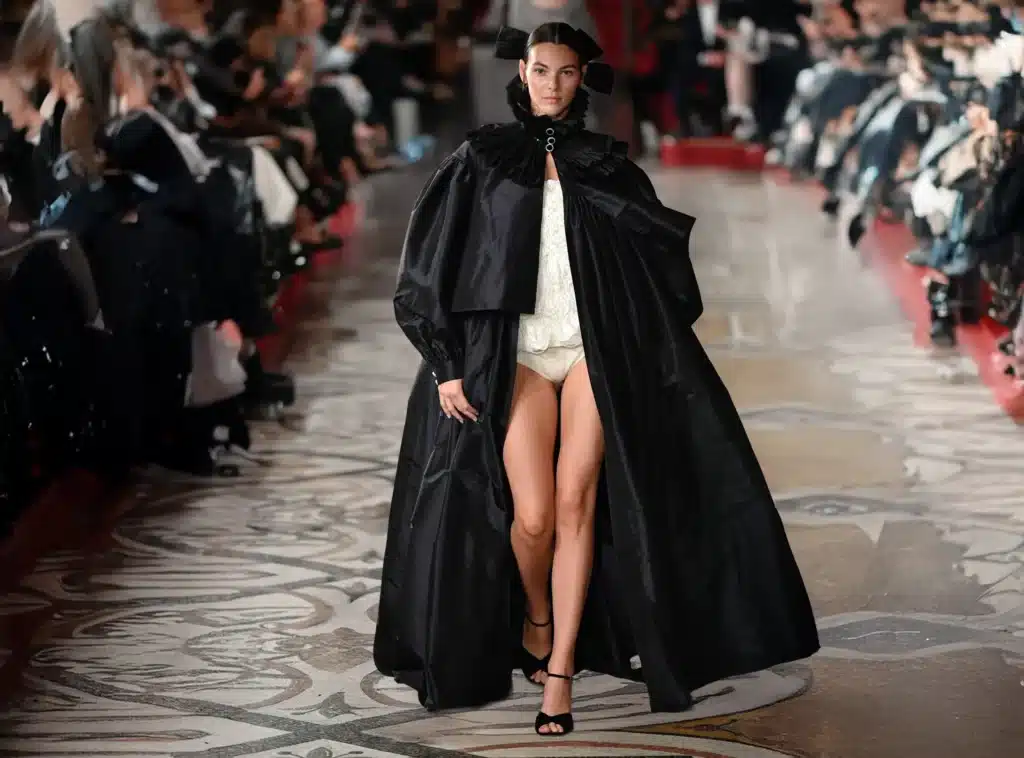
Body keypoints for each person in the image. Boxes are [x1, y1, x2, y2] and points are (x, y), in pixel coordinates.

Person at [373, 22, 820, 737]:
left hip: (588, 351)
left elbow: (665, 267)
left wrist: (646, 348)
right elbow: (428, 264)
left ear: (585, 79)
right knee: (534, 516)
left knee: (577, 503)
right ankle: (538, 616)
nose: (552, 84)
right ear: (521, 70)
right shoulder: (479, 159)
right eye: (541, 69)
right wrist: (445, 362)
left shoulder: (607, 163)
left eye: (567, 72)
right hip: (511, 353)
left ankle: (560, 674)